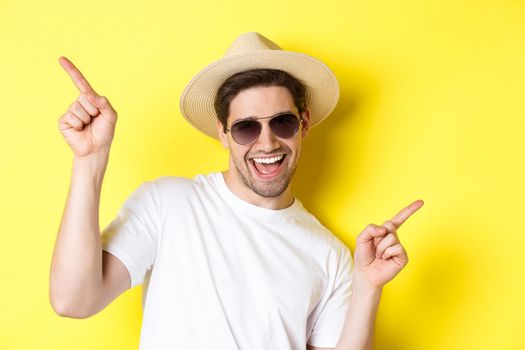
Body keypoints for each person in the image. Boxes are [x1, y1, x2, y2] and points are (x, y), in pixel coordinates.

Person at [49, 32, 424, 350]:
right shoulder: (168, 204)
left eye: (282, 122)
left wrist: (367, 286)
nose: (267, 143)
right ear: (223, 134)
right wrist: (90, 159)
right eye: (246, 127)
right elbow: (73, 299)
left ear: (304, 123)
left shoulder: (330, 256)